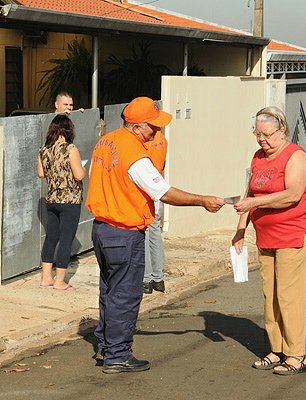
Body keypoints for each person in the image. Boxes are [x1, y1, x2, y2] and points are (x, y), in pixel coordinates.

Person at [86, 96, 225, 374]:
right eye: (152, 126)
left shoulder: (106, 142)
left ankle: (106, 345)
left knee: (110, 291)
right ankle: (117, 354)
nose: (156, 131)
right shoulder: (134, 153)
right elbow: (163, 192)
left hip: (102, 229)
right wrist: (202, 200)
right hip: (124, 232)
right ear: (136, 126)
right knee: (125, 294)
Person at [232, 106, 306, 376]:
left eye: (267, 135)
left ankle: (297, 354)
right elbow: (249, 193)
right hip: (266, 237)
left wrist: (254, 203)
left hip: (293, 235)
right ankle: (277, 349)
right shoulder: (258, 157)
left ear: (282, 130)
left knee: (289, 296)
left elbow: (292, 195)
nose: (262, 140)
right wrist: (240, 229)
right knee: (271, 296)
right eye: (258, 134)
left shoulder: (296, 156)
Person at [37, 114, 86, 291]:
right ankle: (60, 281)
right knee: (66, 239)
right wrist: (84, 168)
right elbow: (78, 175)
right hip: (70, 200)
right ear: (68, 130)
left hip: (52, 199)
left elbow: (41, 174)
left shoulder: (44, 150)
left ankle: (46, 278)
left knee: (51, 237)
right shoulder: (71, 149)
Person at [143, 130, 167, 294]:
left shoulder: (144, 140)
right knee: (155, 233)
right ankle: (158, 278)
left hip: (146, 191)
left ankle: (146, 279)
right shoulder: (162, 139)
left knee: (144, 234)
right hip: (158, 188)